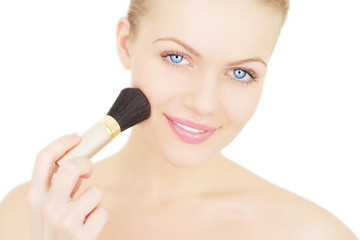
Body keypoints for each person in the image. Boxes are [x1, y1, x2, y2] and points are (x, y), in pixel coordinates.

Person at [0, 0, 358, 239]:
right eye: (176, 58)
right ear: (127, 44)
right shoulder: (31, 213)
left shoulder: (312, 233)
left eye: (240, 74)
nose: (203, 104)